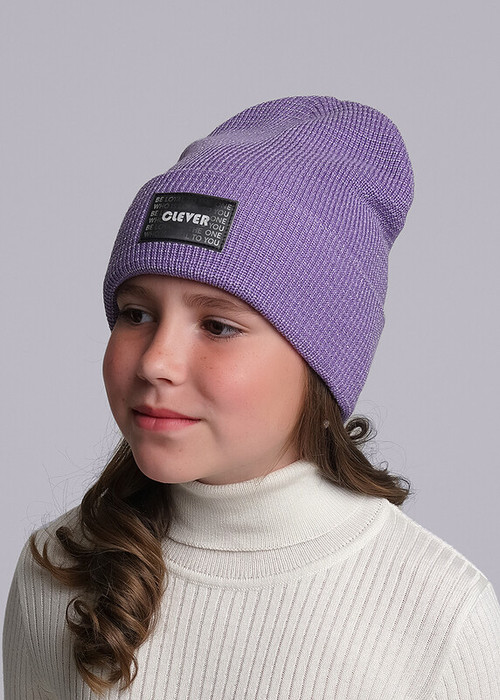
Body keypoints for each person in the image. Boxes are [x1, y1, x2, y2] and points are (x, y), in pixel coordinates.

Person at [3, 96, 500, 699]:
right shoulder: (57, 570)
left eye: (217, 326)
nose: (156, 361)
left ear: (320, 360)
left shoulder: (442, 618)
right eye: (136, 314)